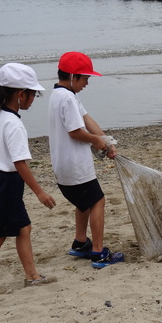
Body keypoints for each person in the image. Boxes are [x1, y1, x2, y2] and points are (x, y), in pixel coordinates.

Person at [0, 63, 57, 298]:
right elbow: (20, 162)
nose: (33, 99)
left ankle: (32, 276)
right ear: (21, 94)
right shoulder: (14, 124)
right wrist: (40, 192)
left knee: (23, 227)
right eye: (33, 95)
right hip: (5, 182)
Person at [48, 51, 124, 269]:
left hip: (62, 165)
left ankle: (81, 242)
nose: (87, 83)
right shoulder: (67, 98)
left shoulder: (62, 94)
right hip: (75, 165)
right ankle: (98, 253)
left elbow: (86, 118)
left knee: (83, 203)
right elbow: (75, 132)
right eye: (85, 78)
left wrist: (107, 141)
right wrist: (95, 141)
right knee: (97, 201)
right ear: (73, 76)